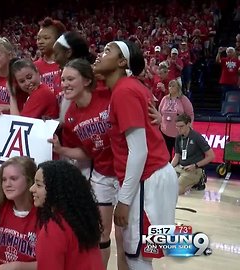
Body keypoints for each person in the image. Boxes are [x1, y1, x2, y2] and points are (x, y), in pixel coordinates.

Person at [93, 40, 178, 269]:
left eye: (107, 51)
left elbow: (139, 152)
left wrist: (124, 200)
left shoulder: (124, 91)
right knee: (143, 255)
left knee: (137, 257)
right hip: (156, 177)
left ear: (122, 62)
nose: (100, 55)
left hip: (147, 180)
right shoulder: (129, 87)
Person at [49, 58, 126, 269]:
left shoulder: (107, 94)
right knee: (100, 233)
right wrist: (61, 149)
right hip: (101, 174)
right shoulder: (71, 116)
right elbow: (84, 152)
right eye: (63, 79)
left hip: (125, 172)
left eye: (70, 79)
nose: (65, 83)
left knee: (124, 235)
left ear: (86, 80)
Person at [30, 160, 103, 270]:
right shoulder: (82, 221)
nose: (32, 189)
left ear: (56, 190)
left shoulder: (52, 231)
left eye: (39, 185)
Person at [171, 114, 214, 194]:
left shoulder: (197, 137)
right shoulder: (178, 138)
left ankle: (198, 180)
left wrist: (195, 165)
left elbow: (211, 156)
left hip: (194, 169)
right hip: (180, 167)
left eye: (181, 126)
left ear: (188, 124)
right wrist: (169, 168)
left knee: (176, 191)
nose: (178, 129)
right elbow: (176, 156)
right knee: (165, 184)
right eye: (177, 126)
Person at [159, 79, 194, 159]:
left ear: (178, 87)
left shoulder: (183, 99)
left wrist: (189, 127)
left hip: (179, 132)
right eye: (169, 86)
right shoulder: (165, 99)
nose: (170, 88)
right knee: (166, 156)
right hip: (165, 132)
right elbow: (159, 113)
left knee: (180, 155)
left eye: (173, 86)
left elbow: (190, 114)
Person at [34, 17, 66, 95]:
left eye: (46, 38)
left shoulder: (68, 64)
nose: (40, 42)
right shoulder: (34, 67)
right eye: (38, 38)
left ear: (58, 40)